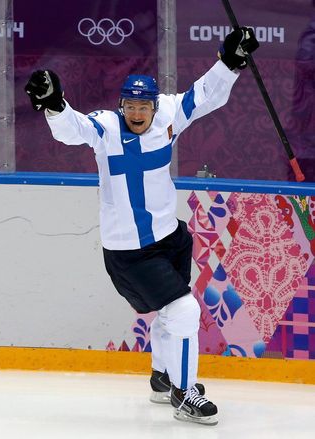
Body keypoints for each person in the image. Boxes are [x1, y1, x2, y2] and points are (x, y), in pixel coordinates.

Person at [25, 27, 259, 425]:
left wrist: (230, 61)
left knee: (172, 312)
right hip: (130, 253)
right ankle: (185, 396)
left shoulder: (168, 116)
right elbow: (73, 129)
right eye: (129, 106)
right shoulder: (106, 129)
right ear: (120, 106)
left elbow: (204, 95)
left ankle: (162, 377)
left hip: (171, 238)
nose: (136, 113)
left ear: (154, 107)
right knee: (183, 310)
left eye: (143, 106)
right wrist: (54, 104)